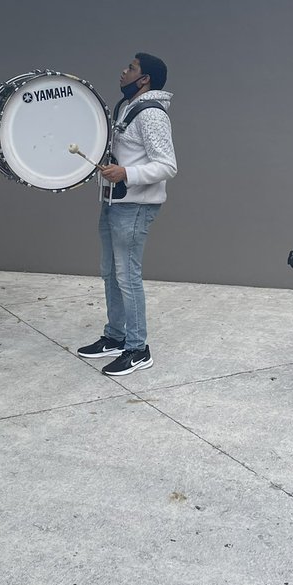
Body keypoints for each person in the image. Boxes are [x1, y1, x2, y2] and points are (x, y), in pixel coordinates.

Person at [77, 53, 177, 376]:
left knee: (127, 275)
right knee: (110, 271)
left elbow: (167, 165)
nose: (124, 70)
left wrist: (126, 173)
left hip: (134, 206)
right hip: (113, 203)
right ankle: (115, 335)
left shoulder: (152, 114)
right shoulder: (124, 107)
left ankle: (137, 348)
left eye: (131, 68)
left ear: (144, 78)